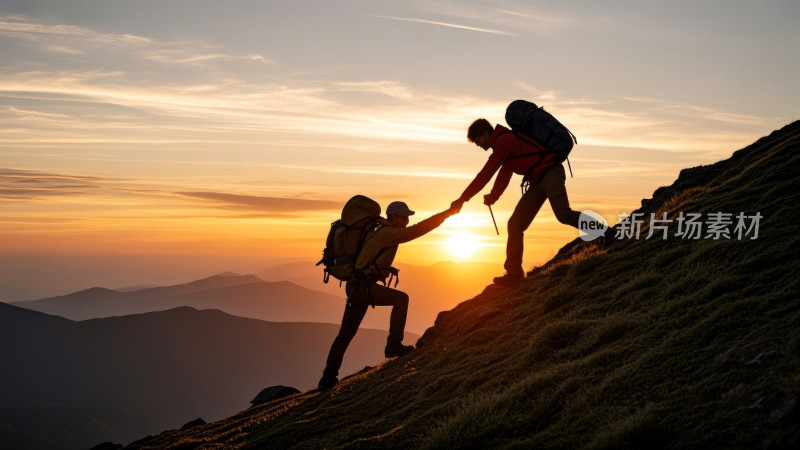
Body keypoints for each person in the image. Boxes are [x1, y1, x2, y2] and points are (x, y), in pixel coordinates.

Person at [318, 201, 459, 390]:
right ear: (394, 216)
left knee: (345, 334)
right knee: (401, 299)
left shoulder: (380, 231)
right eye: (405, 217)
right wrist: (446, 214)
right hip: (362, 288)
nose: (408, 221)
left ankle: (327, 378)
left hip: (356, 286)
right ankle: (393, 345)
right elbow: (416, 231)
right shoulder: (387, 233)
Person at [451, 118, 605, 286]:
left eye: (478, 140)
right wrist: (494, 196)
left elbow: (485, 175)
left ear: (486, 133)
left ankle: (605, 233)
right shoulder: (504, 144)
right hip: (537, 181)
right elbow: (505, 172)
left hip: (551, 172)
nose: (479, 145)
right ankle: (514, 273)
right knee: (515, 224)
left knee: (563, 214)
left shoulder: (504, 142)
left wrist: (461, 200)